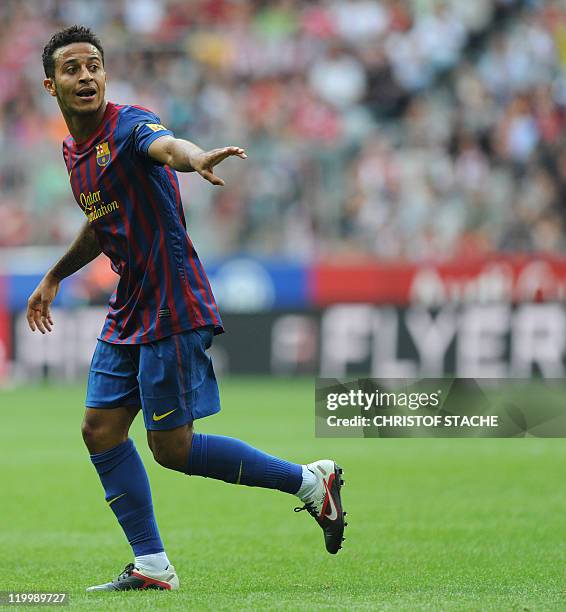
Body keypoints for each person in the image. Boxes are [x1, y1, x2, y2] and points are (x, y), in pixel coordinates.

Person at [27, 25, 346, 592]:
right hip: (131, 302)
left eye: (93, 65)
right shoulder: (73, 151)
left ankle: (307, 482)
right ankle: (151, 565)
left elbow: (167, 147)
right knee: (99, 429)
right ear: (50, 84)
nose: (86, 76)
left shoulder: (128, 125)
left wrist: (195, 156)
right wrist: (54, 275)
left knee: (171, 448)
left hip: (172, 300)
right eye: (72, 69)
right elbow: (103, 224)